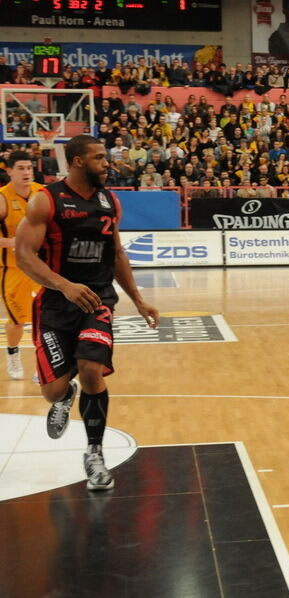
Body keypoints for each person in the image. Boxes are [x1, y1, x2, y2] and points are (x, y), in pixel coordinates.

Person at [15, 135, 159, 491]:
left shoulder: (110, 201)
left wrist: (138, 300)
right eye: (98, 158)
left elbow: (117, 255)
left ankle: (94, 453)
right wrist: (64, 285)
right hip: (55, 304)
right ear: (77, 161)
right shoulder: (45, 201)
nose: (106, 164)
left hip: (98, 300)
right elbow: (24, 255)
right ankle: (64, 396)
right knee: (52, 390)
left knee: (93, 370)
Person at [0, 151, 43, 380]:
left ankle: (42, 366)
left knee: (46, 318)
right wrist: (14, 242)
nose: (27, 172)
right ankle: (13, 353)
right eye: (21, 168)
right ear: (9, 171)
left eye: (29, 168)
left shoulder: (42, 193)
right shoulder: (2, 198)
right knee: (18, 322)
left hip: (41, 268)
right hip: (12, 269)